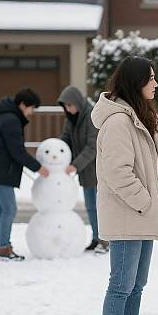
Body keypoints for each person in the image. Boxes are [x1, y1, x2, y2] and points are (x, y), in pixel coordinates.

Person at [91, 56, 158, 315]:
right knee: (121, 286)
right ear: (135, 83)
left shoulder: (138, 116)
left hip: (142, 214)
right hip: (129, 214)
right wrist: (144, 201)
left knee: (137, 285)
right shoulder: (118, 122)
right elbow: (117, 172)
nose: (156, 83)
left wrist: (152, 201)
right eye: (150, 78)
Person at [0, 88, 49, 260]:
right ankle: (4, 248)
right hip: (1, 171)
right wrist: (38, 167)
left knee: (0, 209)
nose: (32, 112)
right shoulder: (11, 120)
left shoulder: (4, 115)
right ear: (23, 105)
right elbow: (17, 151)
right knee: (9, 209)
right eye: (31, 108)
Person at [57, 85, 104, 253]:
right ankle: (97, 237)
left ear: (77, 102)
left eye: (70, 105)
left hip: (97, 169)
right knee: (91, 207)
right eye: (65, 107)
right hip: (85, 170)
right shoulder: (71, 119)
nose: (68, 109)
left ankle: (105, 240)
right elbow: (66, 139)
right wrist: (56, 151)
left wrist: (74, 165)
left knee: (100, 207)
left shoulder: (91, 116)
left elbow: (92, 147)